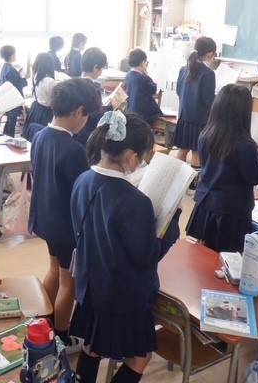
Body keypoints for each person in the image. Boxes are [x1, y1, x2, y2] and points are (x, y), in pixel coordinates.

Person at [70, 110, 180, 383]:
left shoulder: (82, 180)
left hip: (91, 285)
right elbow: (148, 256)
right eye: (141, 157)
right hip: (122, 295)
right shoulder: (135, 202)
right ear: (131, 157)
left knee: (92, 346)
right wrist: (172, 224)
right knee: (140, 357)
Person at [29, 78, 102, 351]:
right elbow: (82, 192)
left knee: (53, 272)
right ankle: (60, 338)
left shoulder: (40, 136)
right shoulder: (73, 150)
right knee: (68, 284)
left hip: (45, 218)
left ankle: (43, 324)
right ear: (79, 111)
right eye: (88, 115)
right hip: (66, 227)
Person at [185, 84, 258, 253]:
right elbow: (255, 176)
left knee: (207, 252)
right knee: (229, 256)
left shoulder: (206, 135)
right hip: (232, 209)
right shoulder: (244, 144)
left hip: (207, 201)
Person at [174, 36, 217, 173]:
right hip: (199, 120)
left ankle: (176, 179)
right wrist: (220, 99)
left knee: (182, 150)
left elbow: (178, 91)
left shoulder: (183, 69)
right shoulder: (208, 73)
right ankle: (194, 183)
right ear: (209, 54)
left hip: (184, 116)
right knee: (197, 152)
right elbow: (208, 100)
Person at [75, 47, 111, 147]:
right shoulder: (93, 88)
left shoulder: (74, 83)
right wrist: (111, 106)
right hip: (88, 133)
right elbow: (97, 116)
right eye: (102, 68)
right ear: (95, 67)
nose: (101, 71)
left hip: (75, 130)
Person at [124, 49, 163, 125]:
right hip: (143, 114)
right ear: (142, 63)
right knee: (158, 113)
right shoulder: (142, 78)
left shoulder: (128, 75)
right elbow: (153, 89)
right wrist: (147, 76)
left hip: (131, 111)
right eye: (146, 62)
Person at [23, 52, 58, 135]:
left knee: (34, 134)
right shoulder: (50, 81)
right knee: (43, 135)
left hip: (35, 109)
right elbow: (54, 101)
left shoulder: (36, 77)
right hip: (46, 112)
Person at [0, 45, 28, 137]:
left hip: (6, 96)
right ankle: (10, 137)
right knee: (12, 119)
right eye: (15, 54)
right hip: (13, 98)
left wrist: (18, 73)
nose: (16, 56)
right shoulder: (11, 70)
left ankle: (6, 135)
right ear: (11, 56)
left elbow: (12, 81)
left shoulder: (5, 67)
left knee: (10, 119)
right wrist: (25, 78)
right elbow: (17, 84)